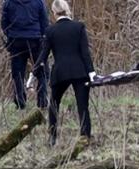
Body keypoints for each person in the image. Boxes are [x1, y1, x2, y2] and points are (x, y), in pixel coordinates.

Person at [34, 0, 97, 146]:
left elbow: (43, 55)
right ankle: (85, 137)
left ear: (54, 13)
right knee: (83, 106)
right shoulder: (79, 27)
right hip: (80, 71)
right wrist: (92, 73)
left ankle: (53, 138)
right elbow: (85, 53)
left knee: (54, 105)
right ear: (67, 10)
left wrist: (33, 73)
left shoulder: (50, 31)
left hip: (60, 73)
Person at [1, 0, 50, 109]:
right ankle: (42, 101)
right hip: (35, 41)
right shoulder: (38, 2)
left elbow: (4, 23)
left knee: (17, 73)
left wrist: (10, 35)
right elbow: (44, 23)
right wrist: (43, 38)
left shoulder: (8, 3)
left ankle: (20, 102)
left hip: (16, 41)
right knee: (42, 71)